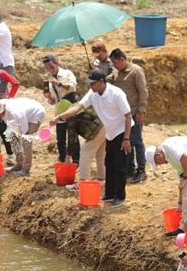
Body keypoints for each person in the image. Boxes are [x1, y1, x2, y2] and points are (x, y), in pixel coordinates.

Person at [51, 69, 132, 208]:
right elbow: (77, 107)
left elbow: (128, 116)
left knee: (120, 165)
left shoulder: (116, 94)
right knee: (109, 163)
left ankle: (120, 197)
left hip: (122, 130)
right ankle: (110, 194)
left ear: (101, 82)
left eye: (93, 83)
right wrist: (59, 117)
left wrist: (126, 139)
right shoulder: (93, 93)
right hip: (110, 131)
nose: (91, 86)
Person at [108, 48, 149, 183]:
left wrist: (141, 111)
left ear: (122, 59)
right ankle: (130, 169)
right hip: (122, 114)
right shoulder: (116, 72)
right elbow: (109, 82)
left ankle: (142, 170)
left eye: (115, 62)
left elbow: (143, 92)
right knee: (127, 141)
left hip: (134, 112)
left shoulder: (136, 71)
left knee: (137, 141)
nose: (113, 65)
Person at [50, 100, 106, 190]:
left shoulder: (71, 119)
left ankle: (83, 182)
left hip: (96, 130)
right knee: (100, 154)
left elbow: (72, 139)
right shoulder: (80, 112)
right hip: (105, 127)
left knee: (85, 154)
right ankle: (102, 179)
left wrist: (68, 157)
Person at [42, 55, 80, 165]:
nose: (49, 69)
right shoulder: (49, 81)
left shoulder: (67, 73)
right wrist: (48, 96)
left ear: (56, 63)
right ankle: (62, 159)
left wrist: (59, 84)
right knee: (60, 137)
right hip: (59, 110)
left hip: (70, 107)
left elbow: (72, 87)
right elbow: (53, 101)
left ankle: (77, 160)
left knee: (73, 136)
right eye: (47, 68)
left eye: (51, 66)